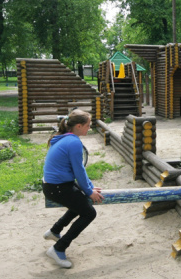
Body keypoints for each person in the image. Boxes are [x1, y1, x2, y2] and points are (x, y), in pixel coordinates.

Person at [42, 109, 104, 268]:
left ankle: (55, 231)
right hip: (58, 187)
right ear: (78, 125)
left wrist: (89, 188)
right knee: (89, 213)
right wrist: (89, 191)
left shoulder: (65, 138)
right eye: (88, 125)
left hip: (55, 185)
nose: (89, 128)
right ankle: (58, 248)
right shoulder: (74, 142)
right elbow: (78, 171)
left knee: (81, 202)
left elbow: (79, 171)